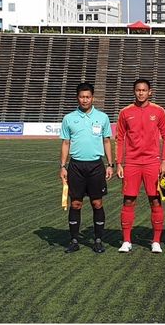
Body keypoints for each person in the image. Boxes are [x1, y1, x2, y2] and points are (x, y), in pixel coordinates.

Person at [115, 79, 165, 254]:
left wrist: (164, 160)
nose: (141, 93)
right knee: (129, 200)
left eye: (144, 90)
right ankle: (126, 240)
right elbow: (119, 139)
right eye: (138, 90)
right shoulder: (125, 112)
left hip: (152, 163)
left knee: (155, 200)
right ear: (134, 92)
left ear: (150, 92)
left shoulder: (158, 111)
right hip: (131, 163)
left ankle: (155, 241)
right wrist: (119, 163)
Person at [59, 82, 114, 254]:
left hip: (96, 165)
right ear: (78, 98)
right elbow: (66, 143)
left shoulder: (102, 117)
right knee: (76, 204)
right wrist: (62, 166)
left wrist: (110, 164)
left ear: (92, 97)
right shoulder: (69, 118)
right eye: (82, 97)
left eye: (88, 97)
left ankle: (98, 240)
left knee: (97, 203)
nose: (85, 100)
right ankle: (74, 240)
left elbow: (106, 141)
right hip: (76, 166)